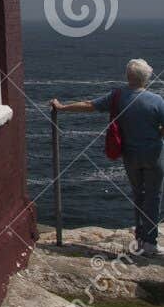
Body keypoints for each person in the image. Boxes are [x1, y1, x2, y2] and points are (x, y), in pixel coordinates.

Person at [52, 58, 164, 258]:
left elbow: (89, 105)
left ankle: (140, 240)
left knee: (139, 196)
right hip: (153, 155)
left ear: (127, 76)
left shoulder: (117, 96)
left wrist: (62, 107)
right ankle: (150, 242)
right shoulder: (157, 100)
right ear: (146, 77)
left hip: (130, 155)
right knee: (153, 197)